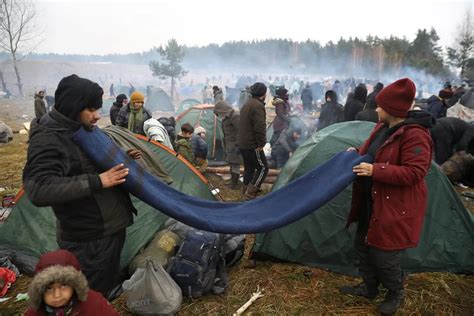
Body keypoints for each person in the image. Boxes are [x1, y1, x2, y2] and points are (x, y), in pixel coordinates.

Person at [23, 74, 142, 297]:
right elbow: (38, 188)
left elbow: (86, 162)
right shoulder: (49, 138)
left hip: (108, 229)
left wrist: (122, 157)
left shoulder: (78, 127)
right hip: (90, 237)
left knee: (102, 288)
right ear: (73, 106)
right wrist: (98, 181)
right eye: (91, 109)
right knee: (88, 295)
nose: (97, 116)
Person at [340, 78, 434, 315]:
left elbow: (416, 172)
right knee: (362, 245)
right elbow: (371, 150)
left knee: (385, 255)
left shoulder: (416, 135)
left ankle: (395, 292)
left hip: (394, 206)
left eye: (380, 106)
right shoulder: (381, 127)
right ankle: (369, 286)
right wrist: (357, 153)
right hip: (371, 200)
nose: (377, 109)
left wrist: (376, 170)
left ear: (392, 109)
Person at [25, 249, 120, 315]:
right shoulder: (35, 312)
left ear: (75, 285)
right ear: (39, 291)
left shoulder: (94, 304)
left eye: (64, 285)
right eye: (49, 288)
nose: (57, 295)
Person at [237, 82, 269, 200]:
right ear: (263, 93)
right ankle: (250, 194)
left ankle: (245, 190)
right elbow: (259, 127)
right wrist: (261, 143)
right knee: (263, 168)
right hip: (252, 144)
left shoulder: (247, 104)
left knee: (249, 168)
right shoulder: (257, 106)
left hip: (243, 143)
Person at [214, 100, 242, 189]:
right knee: (231, 163)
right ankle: (232, 181)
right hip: (229, 144)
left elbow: (240, 131)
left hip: (235, 145)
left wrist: (238, 145)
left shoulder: (235, 116)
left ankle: (235, 184)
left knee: (235, 164)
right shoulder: (227, 117)